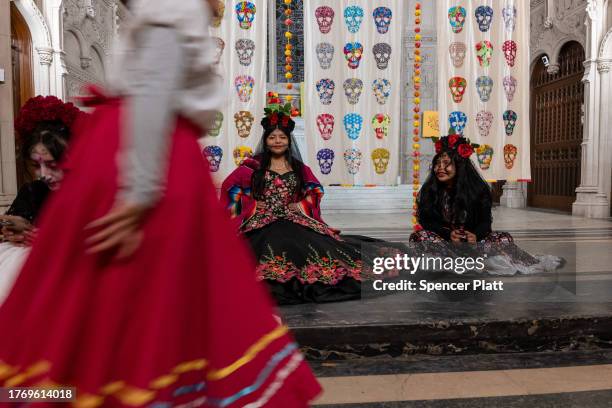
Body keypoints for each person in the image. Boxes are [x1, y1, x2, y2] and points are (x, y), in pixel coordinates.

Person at [0, 0, 321, 406]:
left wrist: (140, 188)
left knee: (120, 297)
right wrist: (140, 190)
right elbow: (153, 91)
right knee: (149, 297)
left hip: (139, 151)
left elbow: (155, 86)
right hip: (148, 153)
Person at [221, 98, 396, 304]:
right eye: (272, 137)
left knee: (312, 248)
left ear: (289, 141)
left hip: (295, 219)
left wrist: (301, 205)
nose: (277, 141)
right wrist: (251, 207)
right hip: (261, 222)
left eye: (282, 137)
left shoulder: (298, 168)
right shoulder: (252, 166)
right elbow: (229, 189)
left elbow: (315, 190)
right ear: (266, 141)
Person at [410, 133, 562, 275]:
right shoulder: (430, 190)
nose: (440, 168)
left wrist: (474, 236)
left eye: (446, 163)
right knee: (419, 237)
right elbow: (426, 221)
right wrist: (448, 235)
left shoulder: (477, 190)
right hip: (445, 244)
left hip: (474, 245)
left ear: (459, 165)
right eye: (437, 163)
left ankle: (467, 261)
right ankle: (459, 262)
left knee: (503, 238)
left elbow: (485, 222)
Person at [0, 96, 81, 305]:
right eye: (37, 166)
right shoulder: (34, 191)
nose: (43, 174)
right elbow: (15, 220)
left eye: (52, 165)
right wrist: (11, 226)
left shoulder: (88, 192)